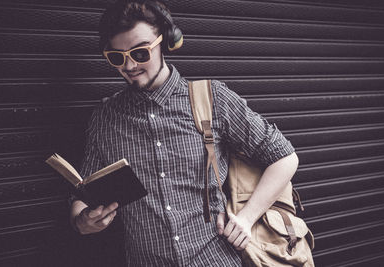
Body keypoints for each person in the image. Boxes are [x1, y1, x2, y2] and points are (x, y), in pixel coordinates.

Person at [69, 0, 299, 266]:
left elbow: (285, 157)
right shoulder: (105, 118)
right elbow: (82, 193)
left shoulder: (214, 99)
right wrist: (82, 220)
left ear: (166, 42)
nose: (130, 66)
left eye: (140, 53)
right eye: (118, 58)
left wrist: (247, 218)